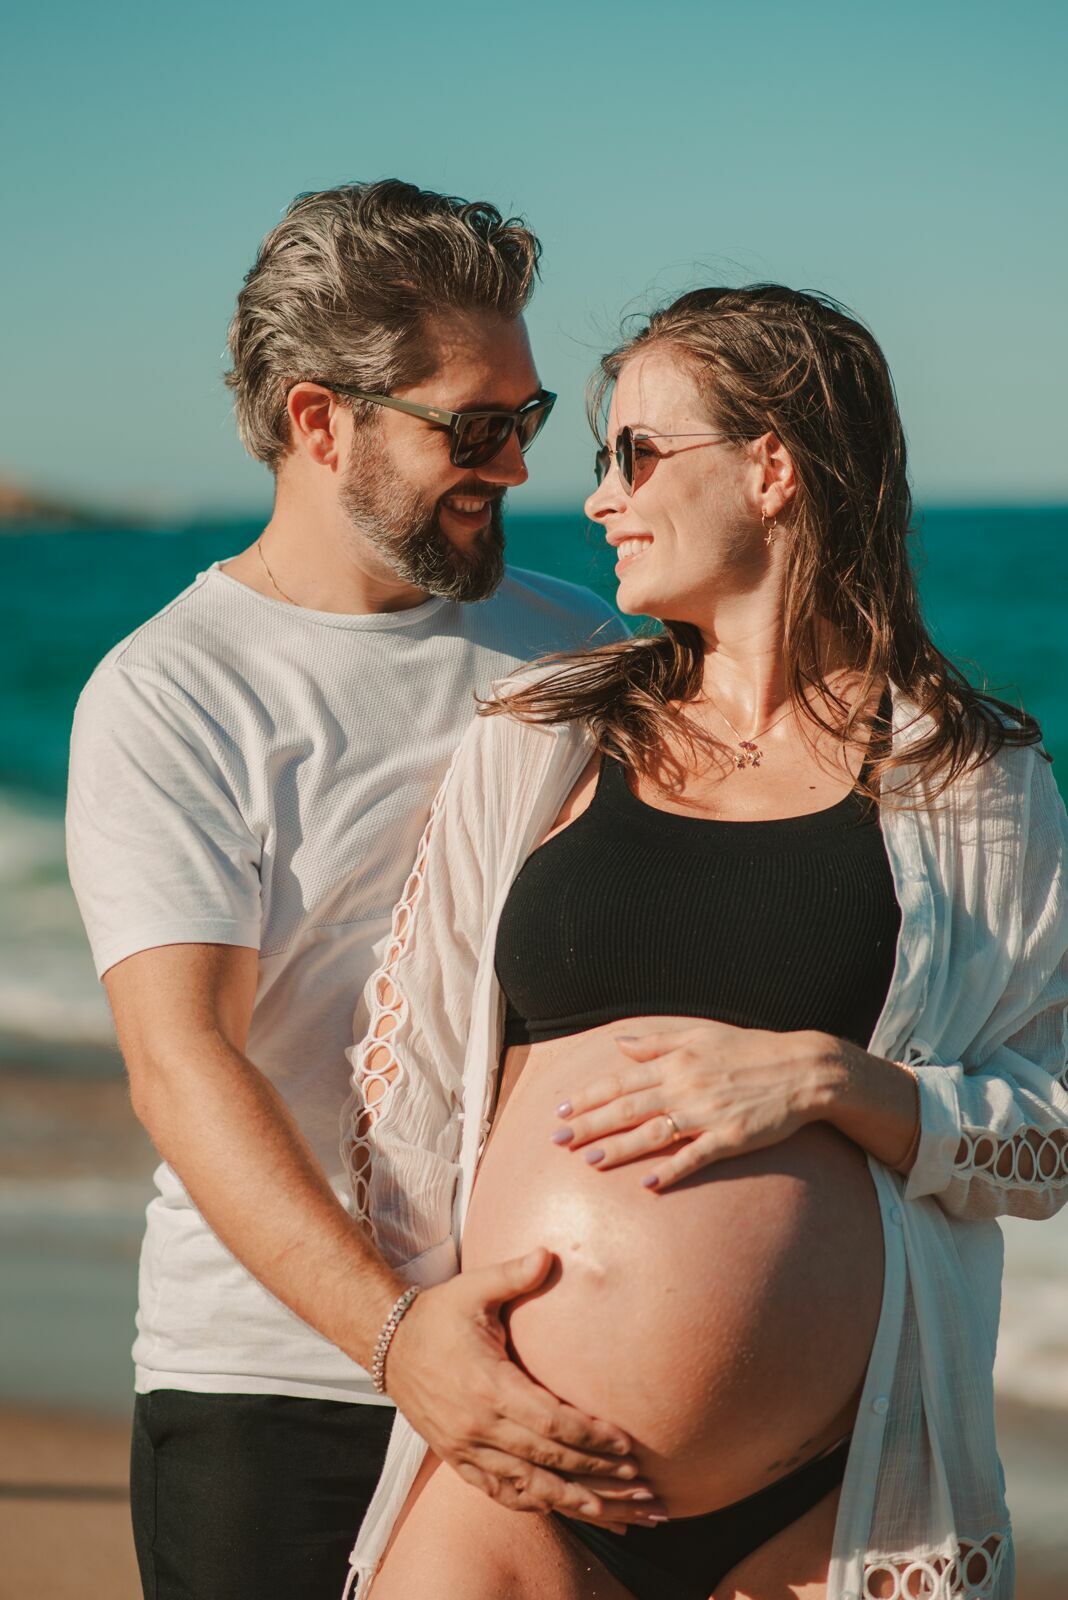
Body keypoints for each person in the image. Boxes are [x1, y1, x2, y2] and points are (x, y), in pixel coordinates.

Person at [342, 285, 1068, 1600]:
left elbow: (1053, 1138)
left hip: (830, 1505)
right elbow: (408, 1089)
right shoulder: (534, 741)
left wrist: (835, 1084)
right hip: (513, 1472)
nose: (600, 499)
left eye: (635, 453)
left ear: (773, 466)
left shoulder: (970, 782)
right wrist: (413, 1337)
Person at [64, 179, 649, 1600]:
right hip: (274, 1391)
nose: (515, 468)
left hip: (566, 1371)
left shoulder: (585, 648)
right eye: (473, 426)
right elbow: (182, 1062)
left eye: (529, 418)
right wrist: (401, 1341)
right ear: (320, 421)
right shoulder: (173, 693)